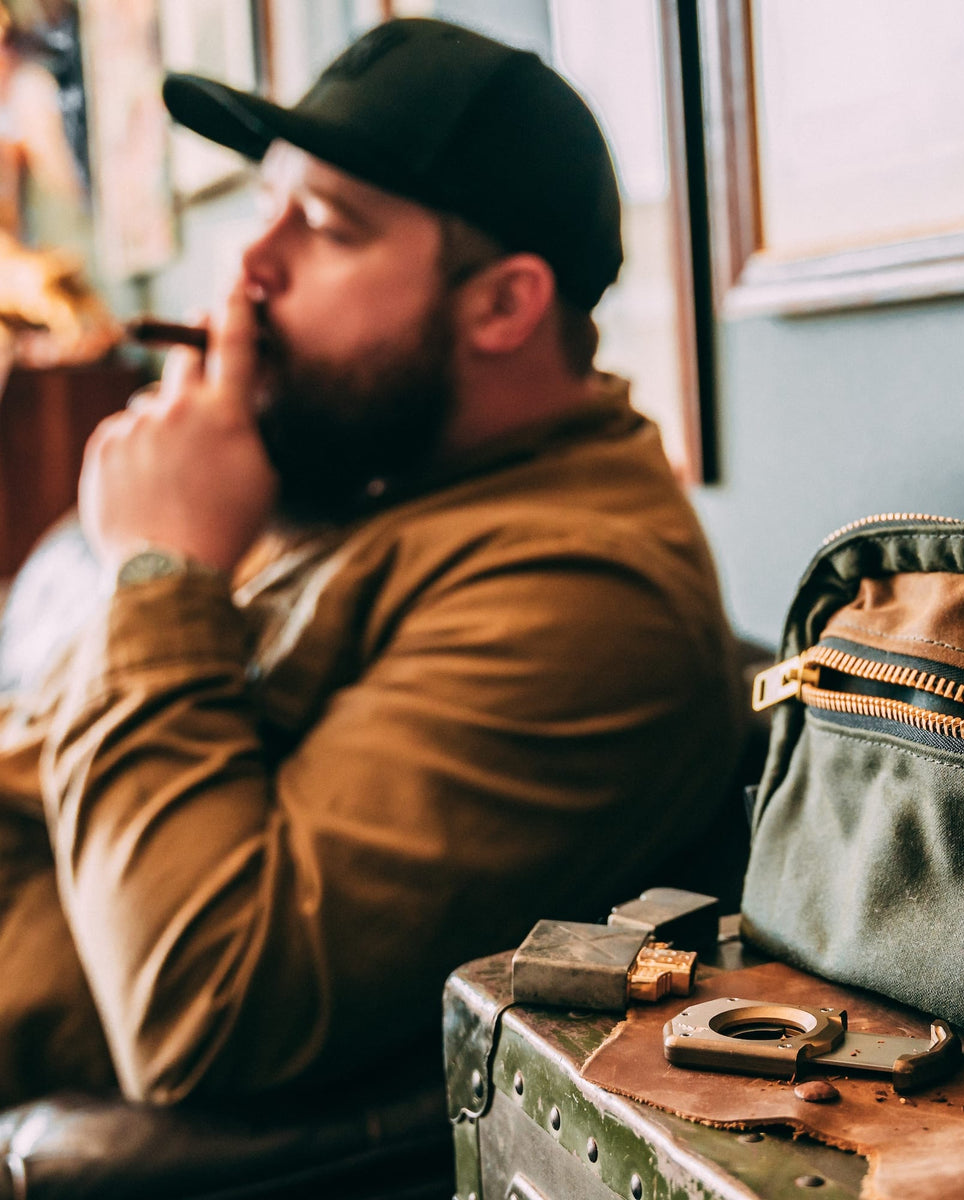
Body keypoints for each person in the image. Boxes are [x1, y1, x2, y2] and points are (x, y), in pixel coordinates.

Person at [0, 17, 741, 1107]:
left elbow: (208, 1008)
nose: (248, 268)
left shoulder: (588, 600)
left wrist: (159, 571)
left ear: (502, 303)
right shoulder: (372, 467)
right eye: (265, 208)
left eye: (326, 227)